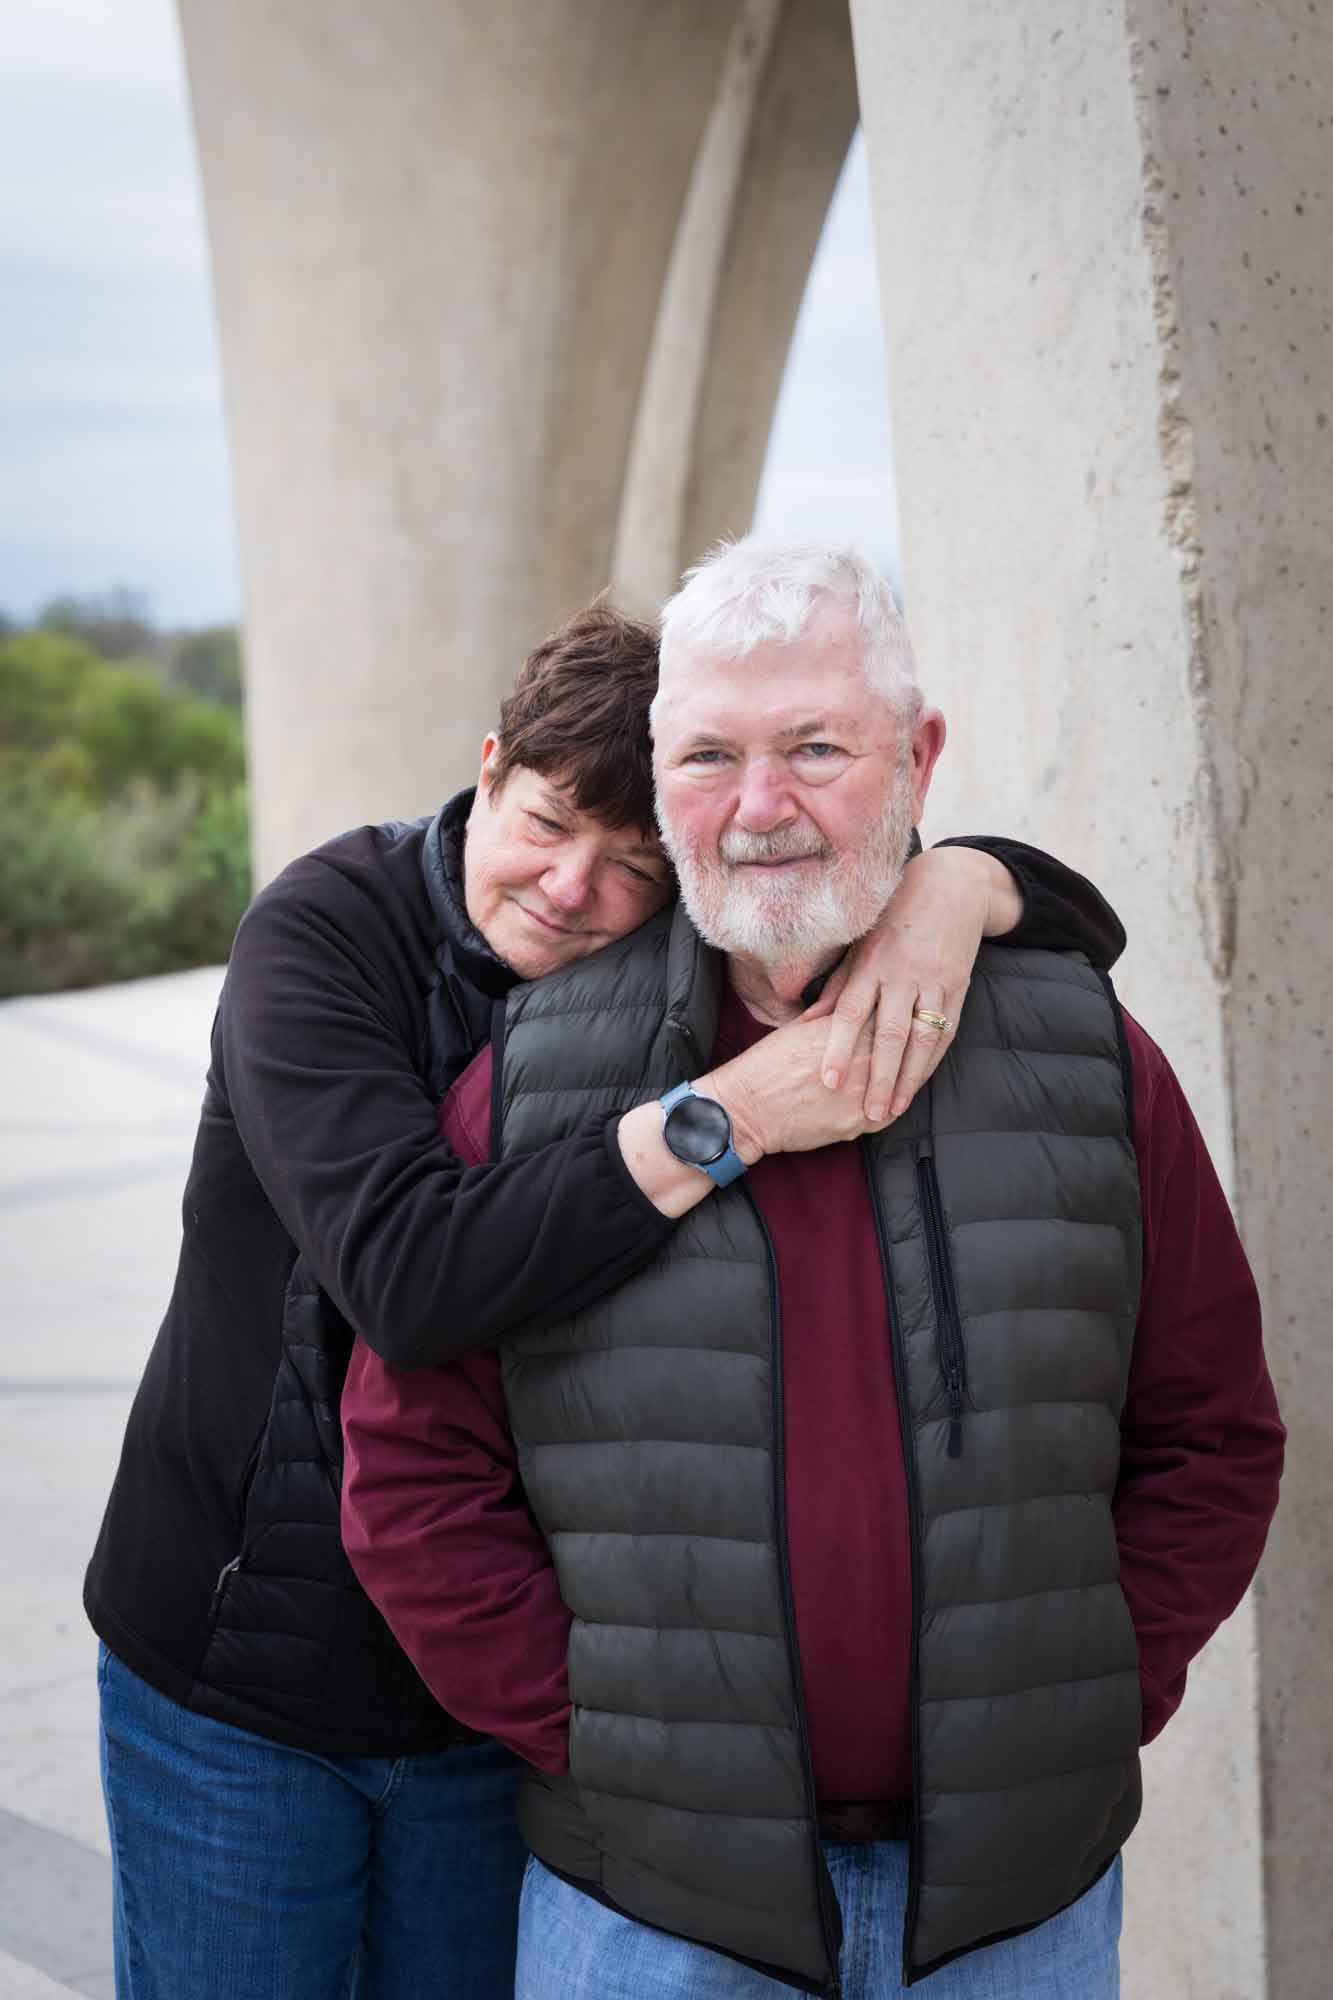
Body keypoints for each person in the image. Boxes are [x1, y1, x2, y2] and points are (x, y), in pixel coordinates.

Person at [84, 598, 1123, 2000]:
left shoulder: (660, 976)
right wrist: (726, 1117)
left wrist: (969, 886)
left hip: (492, 1712)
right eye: (545, 821)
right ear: (490, 764)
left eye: (630, 862)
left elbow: (926, 889)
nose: (569, 887)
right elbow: (409, 1271)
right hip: (242, 1686)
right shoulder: (327, 931)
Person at [342, 542, 1285, 2000]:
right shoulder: (534, 1082)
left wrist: (1088, 1699)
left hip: (1013, 1910)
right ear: (657, 779)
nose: (759, 806)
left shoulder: (1085, 1060)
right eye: (708, 754)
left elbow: (1211, 1434)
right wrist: (601, 1735)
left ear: (916, 755)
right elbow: (411, 1478)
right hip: (648, 1913)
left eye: (814, 748)